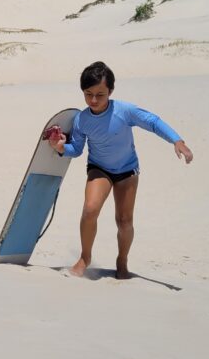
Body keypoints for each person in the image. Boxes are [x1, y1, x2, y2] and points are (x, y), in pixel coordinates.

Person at [47, 61, 193, 279]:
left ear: (111, 91)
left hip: (127, 170)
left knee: (124, 221)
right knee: (90, 210)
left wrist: (176, 140)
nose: (94, 100)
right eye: (88, 94)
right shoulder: (82, 119)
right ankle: (85, 258)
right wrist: (60, 147)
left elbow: (152, 122)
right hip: (99, 169)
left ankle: (122, 260)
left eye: (100, 94)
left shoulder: (124, 111)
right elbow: (76, 149)